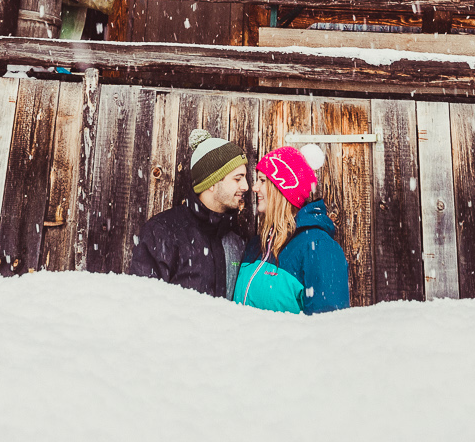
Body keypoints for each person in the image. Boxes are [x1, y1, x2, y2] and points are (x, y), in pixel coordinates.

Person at [129, 129, 250, 298]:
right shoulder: (162, 231)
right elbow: (143, 301)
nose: (246, 186)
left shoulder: (236, 236)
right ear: (211, 183)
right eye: (238, 178)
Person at [234, 143, 351, 314]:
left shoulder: (319, 247)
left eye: (263, 180)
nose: (255, 187)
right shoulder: (256, 245)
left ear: (283, 189)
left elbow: (329, 329)